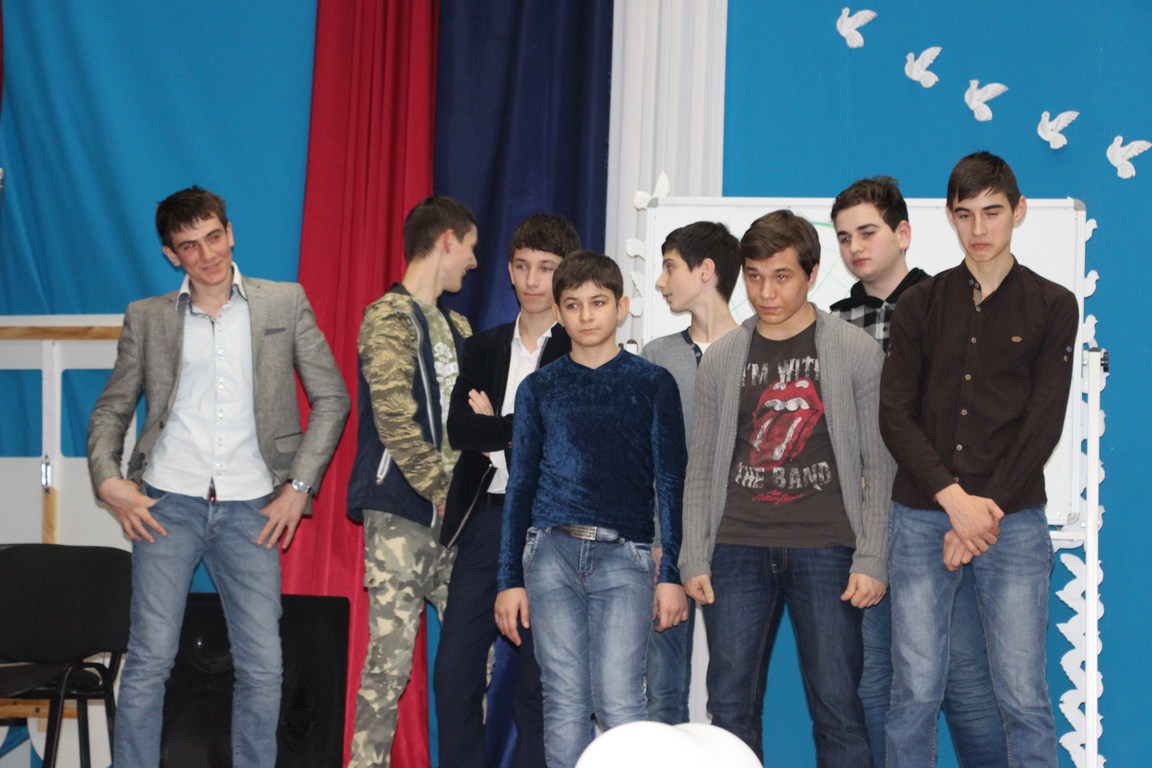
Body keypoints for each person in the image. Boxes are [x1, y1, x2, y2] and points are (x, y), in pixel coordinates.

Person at [87, 186, 350, 768]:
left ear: (230, 233)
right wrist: (108, 480)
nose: (207, 254)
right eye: (190, 245)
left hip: (253, 508)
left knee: (264, 665)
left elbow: (332, 398)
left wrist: (298, 488)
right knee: (149, 660)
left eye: (213, 237)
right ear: (170, 254)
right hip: (166, 505)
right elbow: (111, 410)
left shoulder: (283, 302)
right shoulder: (147, 316)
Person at [880, 152, 1078, 768]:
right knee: (913, 692)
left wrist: (981, 513)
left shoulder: (1053, 304)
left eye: (992, 212)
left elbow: (1043, 423)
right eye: (965, 214)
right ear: (949, 217)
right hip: (921, 516)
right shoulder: (918, 304)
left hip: (1012, 520)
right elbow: (895, 415)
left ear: (1018, 211)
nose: (979, 228)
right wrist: (954, 502)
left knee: (1023, 695)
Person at [679, 209, 893, 766]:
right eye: (754, 276)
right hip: (736, 546)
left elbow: (879, 464)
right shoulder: (722, 357)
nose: (765, 292)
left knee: (838, 707)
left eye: (781, 277)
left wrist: (872, 556)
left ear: (812, 274)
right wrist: (694, 553)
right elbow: (702, 465)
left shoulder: (855, 351)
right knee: (729, 706)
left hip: (827, 546)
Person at [830, 176, 1007, 767]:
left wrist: (957, 501)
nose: (856, 247)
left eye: (868, 232)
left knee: (963, 675)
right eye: (844, 237)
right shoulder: (833, 322)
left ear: (903, 234)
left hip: (935, 512)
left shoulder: (947, 305)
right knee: (875, 676)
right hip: (863, 521)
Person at [494, 251, 688, 768]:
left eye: (598, 303)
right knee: (564, 702)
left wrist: (671, 573)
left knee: (621, 700)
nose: (586, 315)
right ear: (558, 313)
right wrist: (508, 579)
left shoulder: (652, 383)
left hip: (626, 558)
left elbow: (670, 483)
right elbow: (521, 486)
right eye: (574, 304)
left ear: (621, 307)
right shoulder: (539, 388)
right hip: (550, 554)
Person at [434, 212, 581, 768]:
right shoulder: (484, 345)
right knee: (454, 672)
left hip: (552, 525)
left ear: (565, 272)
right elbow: (460, 430)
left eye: (545, 267)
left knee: (541, 680)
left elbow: (560, 439)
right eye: (521, 266)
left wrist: (496, 428)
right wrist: (513, 432)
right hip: (486, 519)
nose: (532, 280)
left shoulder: (579, 346)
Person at [345, 195, 478, 768]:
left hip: (457, 522)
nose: (473, 262)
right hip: (403, 513)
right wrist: (441, 489)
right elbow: (394, 417)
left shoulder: (460, 326)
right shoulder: (388, 316)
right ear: (447, 240)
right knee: (389, 666)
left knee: (475, 663)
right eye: (470, 247)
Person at [642, 220, 740, 724]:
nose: (661, 282)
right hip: (668, 546)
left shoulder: (757, 350)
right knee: (662, 692)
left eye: (669, 267)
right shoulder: (657, 356)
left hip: (739, 545)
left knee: (732, 696)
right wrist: (660, 541)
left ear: (706, 271)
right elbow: (646, 458)